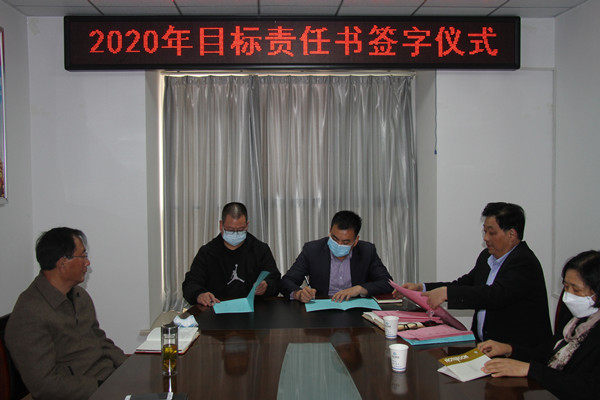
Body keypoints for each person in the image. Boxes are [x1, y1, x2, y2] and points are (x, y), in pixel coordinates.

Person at [398, 202, 552, 347]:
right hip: (483, 346)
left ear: (511, 234)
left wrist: (447, 294)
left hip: (515, 353)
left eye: (492, 232)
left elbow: (494, 295)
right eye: (485, 232)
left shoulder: (524, 262)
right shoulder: (487, 257)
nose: (486, 238)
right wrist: (423, 288)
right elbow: (464, 284)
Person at [5, 227, 127, 400]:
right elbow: (45, 386)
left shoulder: (80, 296)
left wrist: (129, 368)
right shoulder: (29, 315)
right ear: (63, 264)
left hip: (110, 380)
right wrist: (102, 387)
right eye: (83, 256)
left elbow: (100, 340)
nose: (87, 263)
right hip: (86, 392)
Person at [478, 250, 600, 400]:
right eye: (566, 287)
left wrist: (529, 369)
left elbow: (589, 389)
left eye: (576, 290)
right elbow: (548, 353)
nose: (568, 296)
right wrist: (510, 349)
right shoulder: (574, 317)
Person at [281, 210, 393, 302]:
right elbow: (286, 281)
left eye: (345, 242)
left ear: (356, 241)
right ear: (330, 231)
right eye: (334, 239)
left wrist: (360, 289)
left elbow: (387, 283)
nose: (339, 244)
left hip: (356, 309)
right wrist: (299, 294)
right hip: (322, 308)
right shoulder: (312, 250)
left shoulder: (367, 251)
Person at [182, 202, 281, 306]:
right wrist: (199, 295)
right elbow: (190, 283)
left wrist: (267, 286)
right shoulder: (207, 252)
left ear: (247, 225)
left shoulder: (260, 250)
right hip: (216, 310)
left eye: (240, 230)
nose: (235, 234)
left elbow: (275, 279)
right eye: (230, 230)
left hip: (254, 310)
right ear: (221, 225)